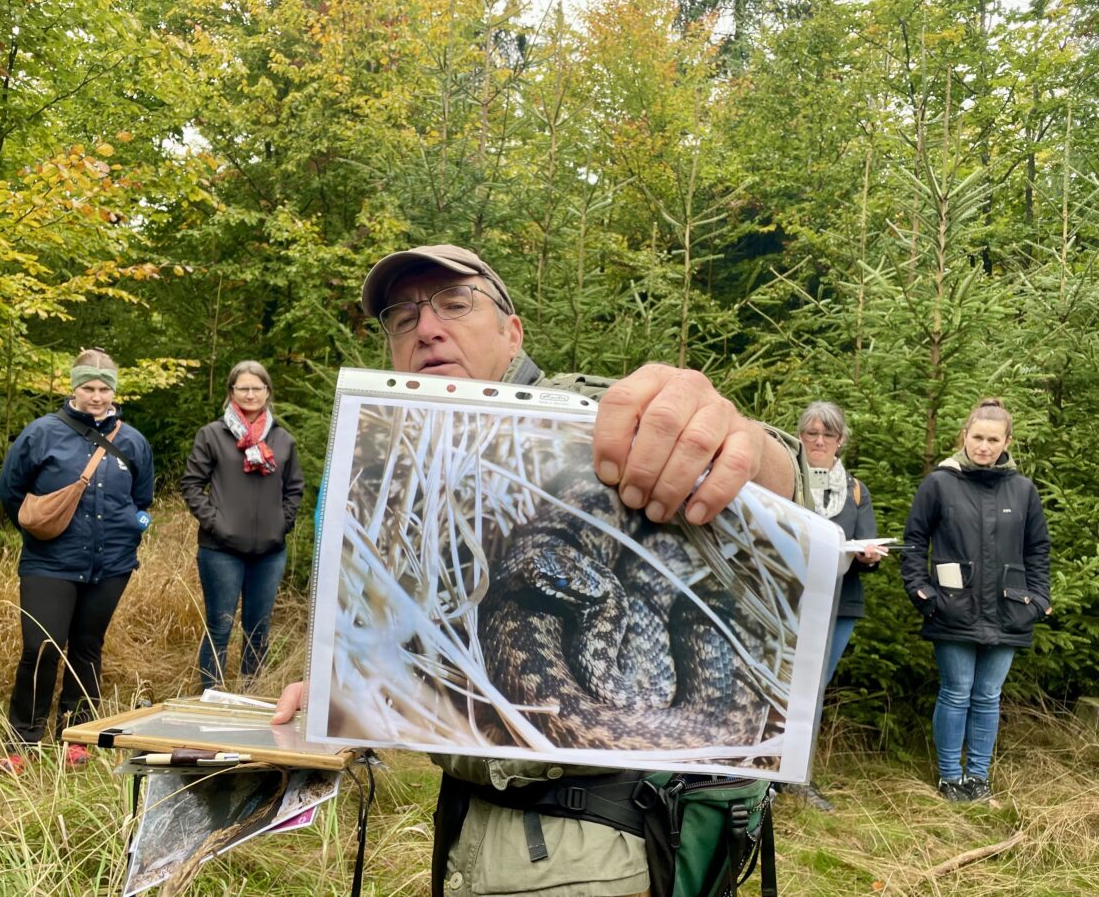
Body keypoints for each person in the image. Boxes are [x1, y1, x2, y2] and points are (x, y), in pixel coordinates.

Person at [274, 244, 811, 897]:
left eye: (454, 302)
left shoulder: (584, 420)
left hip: (601, 840)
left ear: (513, 332)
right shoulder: (409, 461)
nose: (428, 327)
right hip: (472, 826)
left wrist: (744, 446)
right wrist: (342, 687)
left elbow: (778, 490)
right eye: (402, 317)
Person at [0, 348, 154, 772]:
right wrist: (43, 531)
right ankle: (23, 741)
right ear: (74, 387)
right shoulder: (41, 434)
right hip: (50, 562)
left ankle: (77, 734)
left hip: (112, 566)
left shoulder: (133, 441)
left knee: (86, 647)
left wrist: (131, 529)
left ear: (115, 392)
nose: (97, 396)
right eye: (89, 387)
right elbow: (12, 492)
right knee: (42, 647)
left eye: (105, 389)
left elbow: (142, 498)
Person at [900, 398, 1050, 803]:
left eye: (993, 439)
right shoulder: (939, 483)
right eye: (978, 437)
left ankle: (978, 778)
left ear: (1007, 442)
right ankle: (951, 777)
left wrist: (1038, 599)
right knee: (957, 690)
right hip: (953, 607)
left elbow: (1038, 550)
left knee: (987, 695)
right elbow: (914, 542)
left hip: (1009, 610)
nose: (984, 446)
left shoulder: (1023, 490)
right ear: (964, 436)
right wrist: (922, 592)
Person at [180, 361, 305, 690]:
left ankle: (252, 696)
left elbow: (295, 489)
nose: (250, 394)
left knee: (258, 629)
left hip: (269, 551)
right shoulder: (213, 435)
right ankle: (211, 698)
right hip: (220, 550)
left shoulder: (282, 440)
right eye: (243, 388)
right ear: (231, 392)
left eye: (257, 388)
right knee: (220, 627)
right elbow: (191, 485)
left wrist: (282, 523)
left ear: (267, 392)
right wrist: (215, 522)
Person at [788, 401, 885, 811]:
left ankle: (798, 777)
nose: (820, 441)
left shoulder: (856, 490)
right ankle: (764, 773)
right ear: (800, 437)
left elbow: (869, 541)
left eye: (828, 434)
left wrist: (868, 554)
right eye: (812, 433)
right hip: (788, 600)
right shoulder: (787, 480)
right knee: (783, 687)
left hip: (839, 604)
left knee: (815, 689)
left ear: (841, 441)